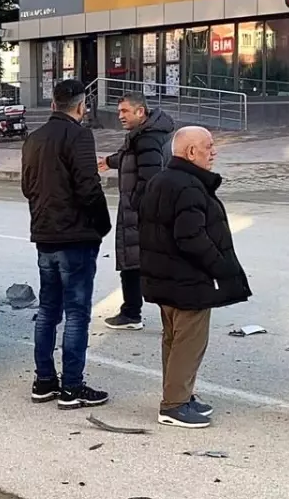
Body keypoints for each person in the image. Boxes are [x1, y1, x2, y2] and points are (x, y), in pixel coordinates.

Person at [138, 126, 250, 428]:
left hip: (165, 278)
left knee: (174, 342)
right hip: (187, 280)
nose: (213, 152)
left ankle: (180, 396)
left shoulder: (161, 180)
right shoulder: (188, 185)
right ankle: (173, 405)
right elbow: (191, 238)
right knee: (188, 343)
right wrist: (222, 268)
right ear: (190, 152)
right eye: (208, 146)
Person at [21, 79, 112, 409]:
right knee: (76, 313)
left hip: (45, 234)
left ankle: (44, 380)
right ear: (81, 106)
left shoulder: (33, 139)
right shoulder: (80, 135)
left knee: (47, 310)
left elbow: (27, 187)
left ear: (52, 105)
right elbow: (89, 187)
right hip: (75, 236)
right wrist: (102, 224)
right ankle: (71, 387)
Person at [98, 92, 175, 331]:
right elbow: (130, 157)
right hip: (139, 211)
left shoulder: (147, 139)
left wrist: (137, 204)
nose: (120, 116)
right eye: (119, 111)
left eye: (125, 111)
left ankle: (146, 314)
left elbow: (150, 177)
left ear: (140, 111)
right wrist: (110, 161)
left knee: (141, 265)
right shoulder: (143, 134)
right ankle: (132, 312)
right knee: (134, 264)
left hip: (140, 213)